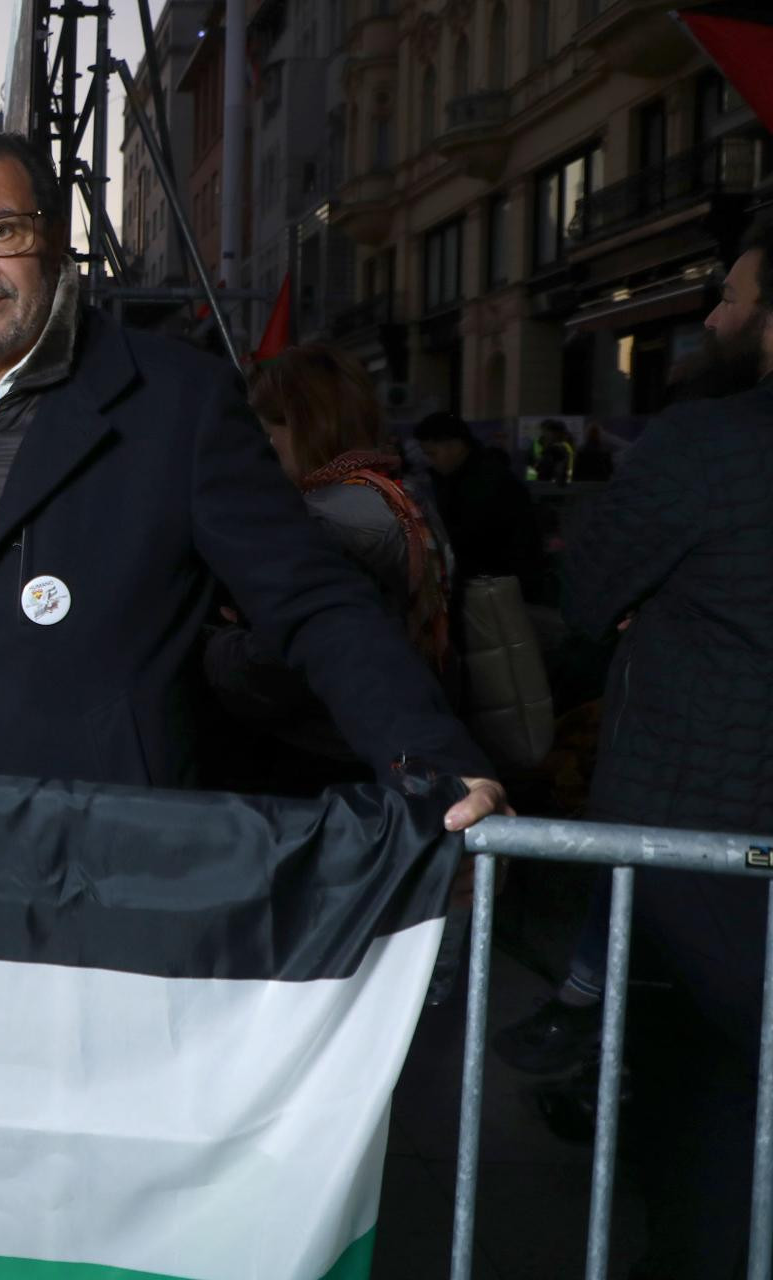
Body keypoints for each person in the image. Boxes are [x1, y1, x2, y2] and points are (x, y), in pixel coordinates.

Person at [0, 125, 502, 827]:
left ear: (55, 239)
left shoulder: (179, 401)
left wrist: (431, 755)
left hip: (112, 844)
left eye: (3, 231)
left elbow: (312, 599)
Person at [562, 218, 773, 1279]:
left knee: (707, 1117)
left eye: (731, 296)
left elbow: (584, 592)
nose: (713, 316)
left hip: (704, 842)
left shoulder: (706, 443)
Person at [202, 343, 454, 794]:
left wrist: (215, 646)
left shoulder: (326, 518)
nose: (261, 447)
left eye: (268, 431)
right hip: (395, 736)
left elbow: (282, 661)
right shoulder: (399, 493)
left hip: (330, 754)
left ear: (301, 427)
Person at [412, 409, 547, 598]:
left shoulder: (485, 483)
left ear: (455, 446)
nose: (430, 461)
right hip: (486, 586)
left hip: (491, 588)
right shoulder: (461, 477)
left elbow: (472, 541)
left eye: (432, 454)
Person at [534, 418, 575, 484]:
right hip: (557, 484)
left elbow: (545, 468)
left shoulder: (557, 448)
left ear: (556, 433)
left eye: (548, 432)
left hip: (551, 485)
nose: (545, 435)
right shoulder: (565, 446)